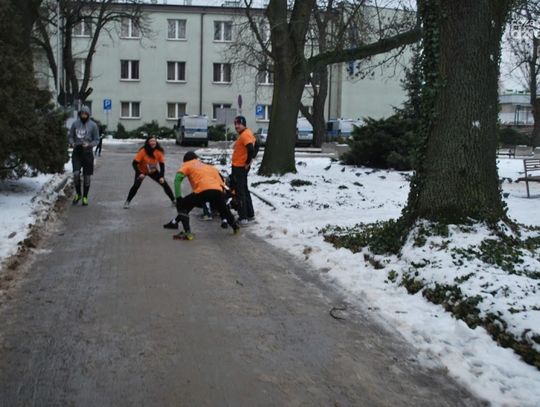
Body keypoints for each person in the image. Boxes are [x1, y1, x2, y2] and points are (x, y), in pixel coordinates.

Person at [163, 151, 239, 240]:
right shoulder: (209, 167)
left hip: (202, 191)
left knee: (182, 205)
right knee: (223, 208)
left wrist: (178, 197)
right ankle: (235, 227)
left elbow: (177, 180)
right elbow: (221, 182)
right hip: (217, 191)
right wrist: (224, 195)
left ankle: (188, 233)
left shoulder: (187, 164)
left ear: (185, 160)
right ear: (196, 158)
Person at [123, 135, 176, 208]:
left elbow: (162, 165)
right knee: (136, 186)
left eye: (154, 141)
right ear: (148, 142)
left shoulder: (159, 152)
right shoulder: (143, 151)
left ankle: (173, 201)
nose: (153, 142)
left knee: (164, 184)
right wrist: (139, 173)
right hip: (142, 170)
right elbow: (134, 163)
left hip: (152, 170)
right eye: (151, 141)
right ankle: (127, 202)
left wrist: (161, 176)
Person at [68, 105, 100, 206]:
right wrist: (72, 142)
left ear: (88, 115)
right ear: (80, 114)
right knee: (76, 174)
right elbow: (70, 136)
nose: (84, 116)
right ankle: (78, 194)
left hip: (87, 152)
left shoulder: (93, 125)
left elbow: (97, 140)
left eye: (86, 114)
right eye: (82, 114)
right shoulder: (75, 124)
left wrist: (89, 145)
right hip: (77, 152)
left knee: (87, 177)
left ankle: (85, 197)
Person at [231, 115, 256, 225]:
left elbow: (251, 148)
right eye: (235, 124)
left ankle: (243, 217)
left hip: (239, 167)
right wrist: (250, 161)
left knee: (240, 192)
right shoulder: (247, 133)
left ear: (243, 124)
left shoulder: (245, 135)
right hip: (241, 167)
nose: (236, 126)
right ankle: (250, 214)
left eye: (239, 124)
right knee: (244, 190)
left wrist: (247, 162)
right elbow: (257, 144)